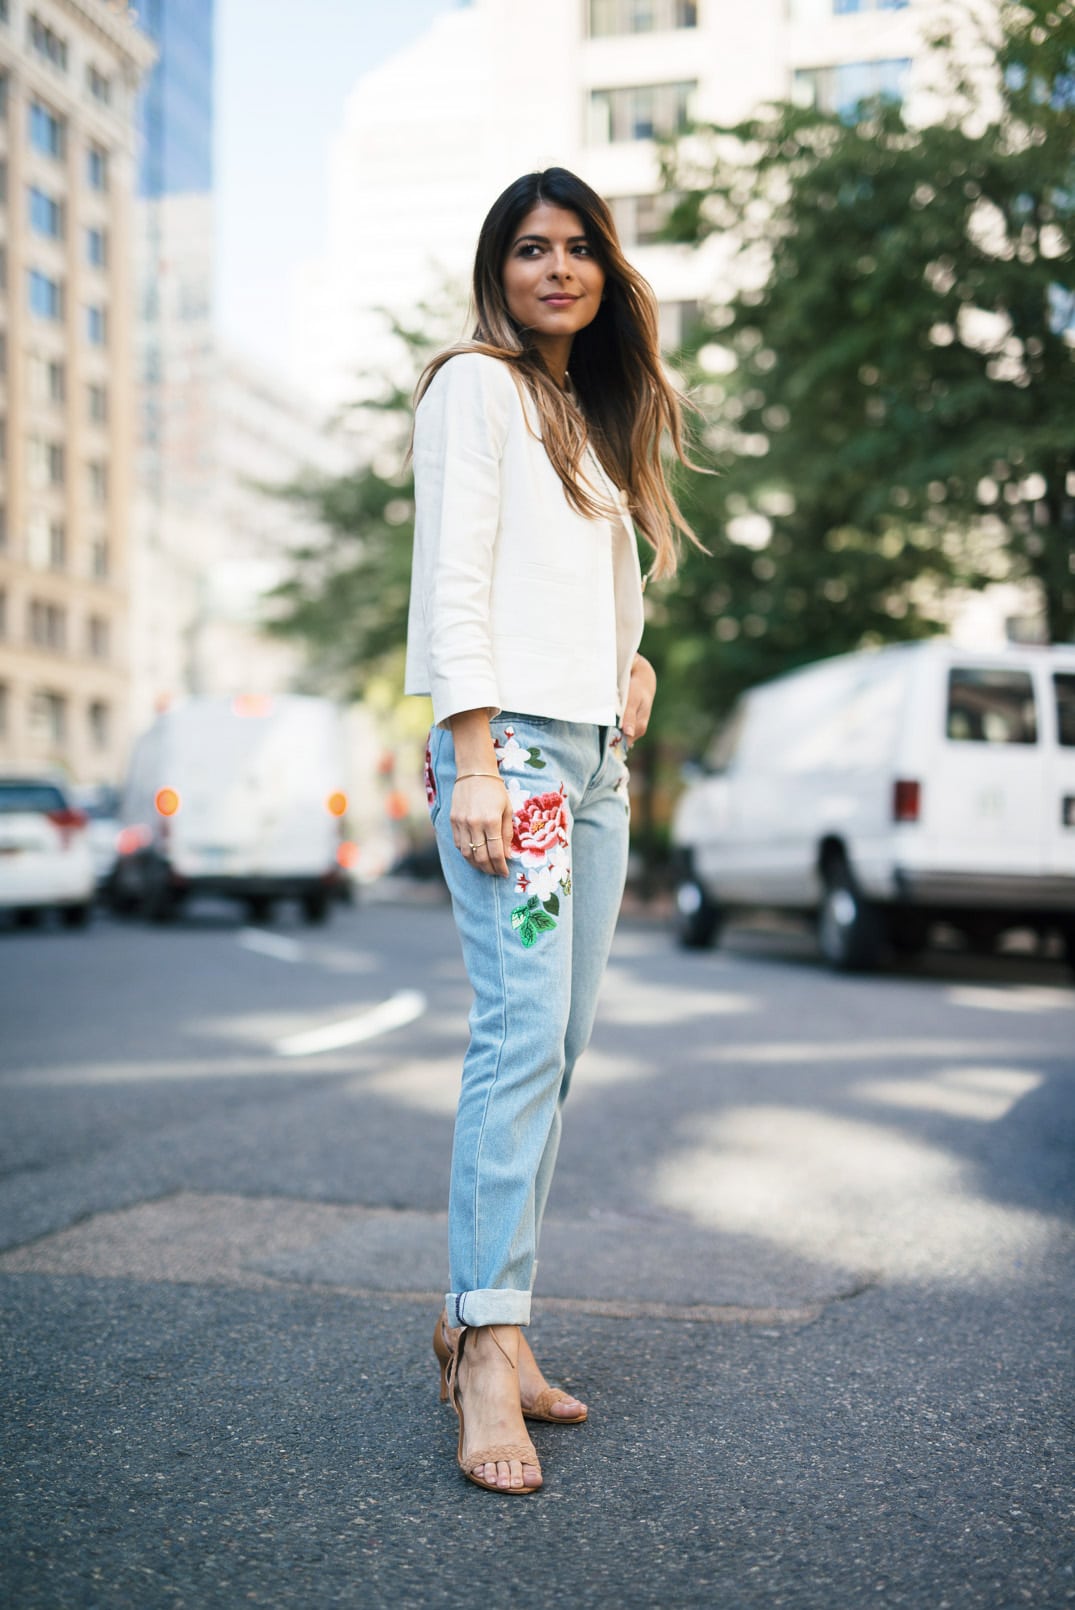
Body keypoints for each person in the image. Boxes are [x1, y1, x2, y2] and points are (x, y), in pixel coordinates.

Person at [405, 167, 697, 1494]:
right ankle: (481, 1340)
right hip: (510, 750)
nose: (559, 268)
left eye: (580, 247)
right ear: (499, 269)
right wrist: (470, 748)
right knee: (521, 1031)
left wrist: (632, 667)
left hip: (591, 758)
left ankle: (500, 1316)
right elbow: (453, 570)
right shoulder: (476, 384)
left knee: (561, 1041)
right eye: (532, 248)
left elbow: (608, 572)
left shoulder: (585, 408)